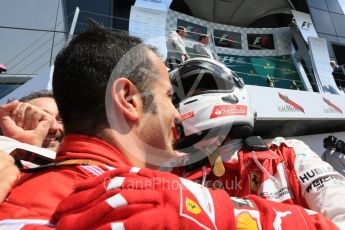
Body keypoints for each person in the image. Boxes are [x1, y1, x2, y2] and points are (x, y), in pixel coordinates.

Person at [0, 23, 337, 229]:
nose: (177, 113)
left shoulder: (14, 177)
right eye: (168, 96)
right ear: (129, 100)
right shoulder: (159, 197)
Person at [169, 58, 345, 228]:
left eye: (197, 90)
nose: (176, 107)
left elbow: (340, 214)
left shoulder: (287, 153)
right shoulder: (178, 177)